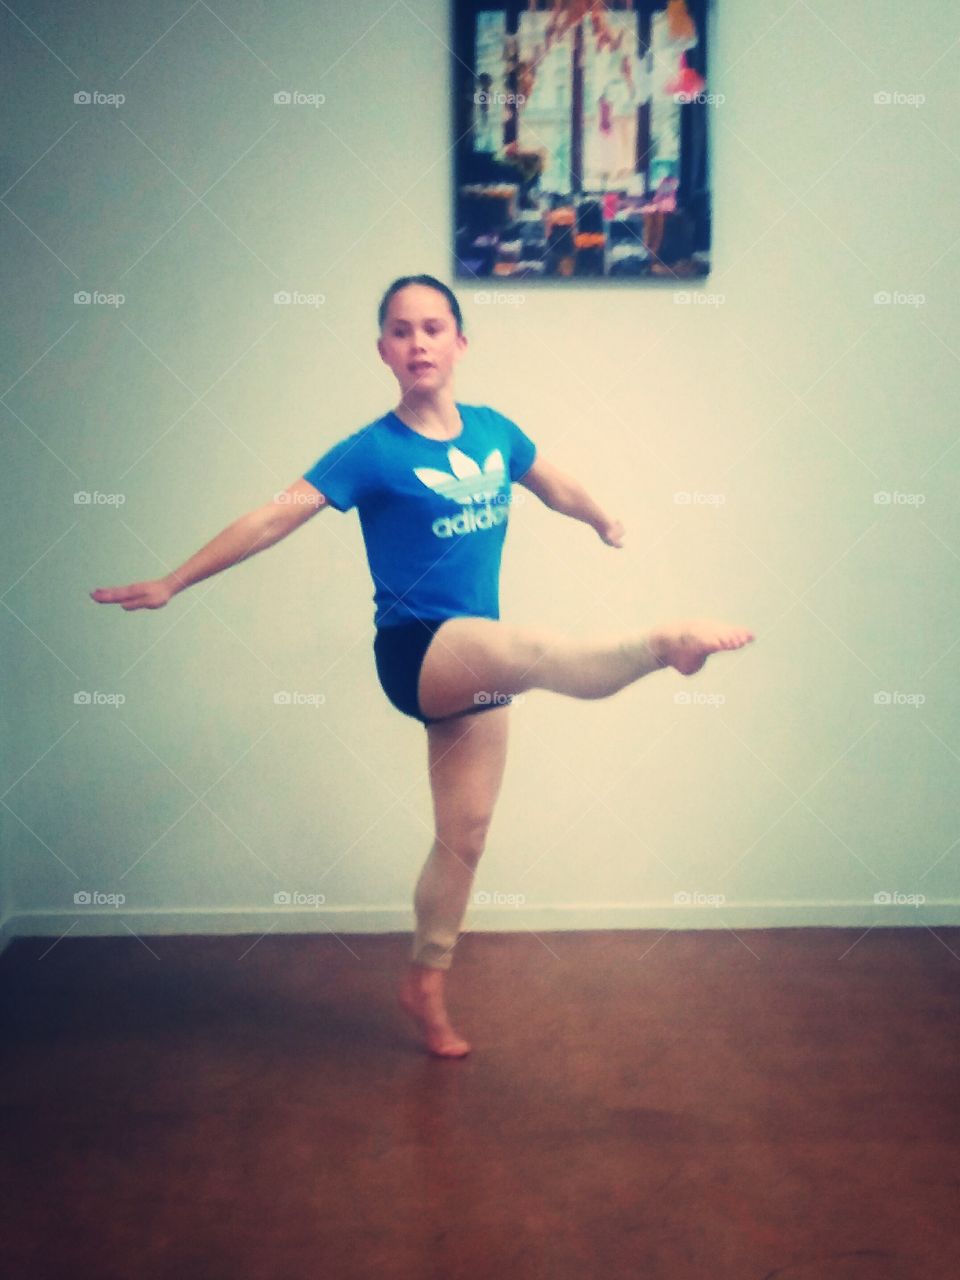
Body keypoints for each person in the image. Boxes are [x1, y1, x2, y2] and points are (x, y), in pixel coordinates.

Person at [90, 273, 755, 1059]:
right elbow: (275, 516)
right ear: (384, 351)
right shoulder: (373, 451)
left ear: (460, 343)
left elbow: (553, 483)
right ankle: (662, 647)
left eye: (434, 328)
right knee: (537, 653)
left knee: (463, 838)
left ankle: (424, 982)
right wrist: (174, 580)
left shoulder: (495, 433)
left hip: (476, 654)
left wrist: (603, 515)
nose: (418, 343)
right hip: (416, 650)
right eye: (401, 332)